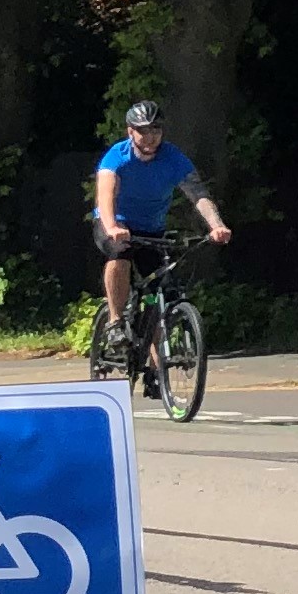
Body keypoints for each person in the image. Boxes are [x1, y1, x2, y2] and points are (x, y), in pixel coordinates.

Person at [91, 99, 232, 391]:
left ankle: (156, 368)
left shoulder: (172, 158)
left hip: (152, 229)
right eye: (143, 131)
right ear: (131, 132)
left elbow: (198, 194)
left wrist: (216, 225)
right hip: (116, 224)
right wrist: (113, 227)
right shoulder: (116, 157)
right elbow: (105, 197)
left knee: (160, 293)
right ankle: (116, 322)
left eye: (156, 130)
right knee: (120, 257)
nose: (150, 137)